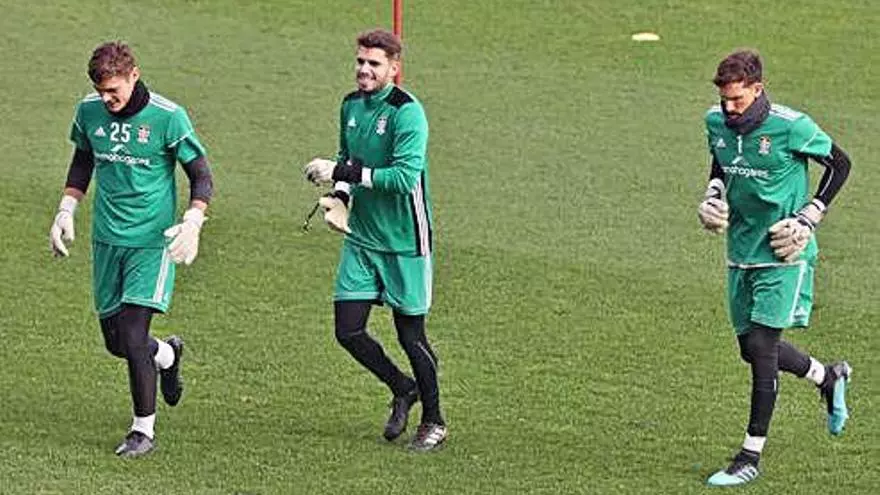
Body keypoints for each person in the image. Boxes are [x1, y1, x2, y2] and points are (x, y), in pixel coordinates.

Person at [49, 41, 214, 457]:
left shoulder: (167, 117)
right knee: (116, 342)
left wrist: (193, 221)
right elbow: (83, 160)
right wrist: (66, 209)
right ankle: (168, 355)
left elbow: (201, 175)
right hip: (107, 239)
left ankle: (143, 430)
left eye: (114, 90)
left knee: (134, 335)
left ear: (134, 75)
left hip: (150, 243)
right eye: (101, 91)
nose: (107, 99)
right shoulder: (89, 112)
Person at [698, 49, 852, 486]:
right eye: (725, 99)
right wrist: (713, 193)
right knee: (749, 348)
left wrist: (809, 216)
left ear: (758, 89)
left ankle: (749, 456)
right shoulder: (716, 122)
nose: (730, 108)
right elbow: (721, 159)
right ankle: (827, 377)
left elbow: (840, 164)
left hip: (785, 253)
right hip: (740, 250)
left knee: (763, 348)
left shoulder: (791, 126)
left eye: (738, 99)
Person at [303, 28, 447, 451]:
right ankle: (402, 387)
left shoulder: (407, 113)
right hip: (363, 237)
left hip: (405, 239)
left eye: (374, 64)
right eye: (361, 61)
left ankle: (434, 421)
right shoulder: (350, 104)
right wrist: (339, 197)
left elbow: (403, 179)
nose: (364, 70)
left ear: (394, 68)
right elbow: (349, 159)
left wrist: (339, 173)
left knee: (411, 336)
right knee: (348, 330)